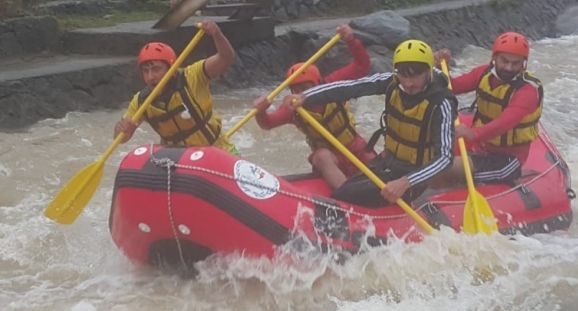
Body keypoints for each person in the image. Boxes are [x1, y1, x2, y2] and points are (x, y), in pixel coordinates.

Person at [292, 39, 457, 208]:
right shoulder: (392, 82)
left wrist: (405, 182)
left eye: (415, 76)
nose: (408, 83)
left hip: (415, 177)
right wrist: (306, 96)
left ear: (428, 72)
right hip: (387, 164)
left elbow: (444, 158)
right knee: (344, 191)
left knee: (345, 196)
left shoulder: (442, 103)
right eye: (403, 75)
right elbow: (350, 87)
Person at [251, 24, 375, 191]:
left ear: (318, 83)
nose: (301, 93)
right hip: (329, 160)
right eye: (296, 89)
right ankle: (347, 195)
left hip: (355, 148)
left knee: (375, 161)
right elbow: (267, 124)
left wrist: (351, 40)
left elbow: (362, 66)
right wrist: (261, 111)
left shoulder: (333, 86)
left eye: (306, 87)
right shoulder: (292, 107)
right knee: (322, 156)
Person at [114, 20, 238, 154]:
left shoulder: (192, 76)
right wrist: (122, 130)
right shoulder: (140, 101)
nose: (150, 77)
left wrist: (217, 34)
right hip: (180, 161)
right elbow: (120, 139)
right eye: (145, 71)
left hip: (217, 151)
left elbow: (227, 58)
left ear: (172, 70)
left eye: (156, 69)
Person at [434, 31, 541, 184]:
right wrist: (440, 66)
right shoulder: (483, 73)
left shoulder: (527, 91)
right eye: (504, 60)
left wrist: (473, 133)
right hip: (480, 148)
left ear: (523, 63)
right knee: (425, 159)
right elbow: (451, 87)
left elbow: (504, 123)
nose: (509, 67)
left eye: (516, 63)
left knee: (444, 171)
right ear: (494, 57)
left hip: (507, 160)